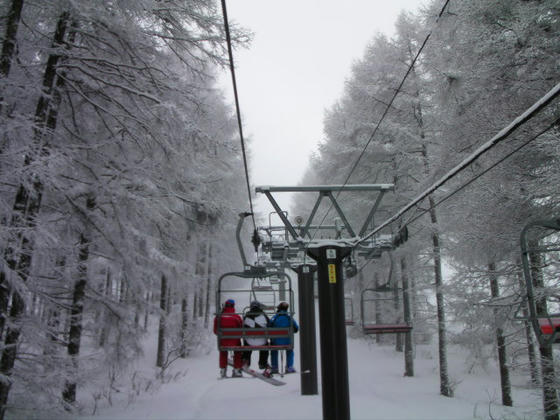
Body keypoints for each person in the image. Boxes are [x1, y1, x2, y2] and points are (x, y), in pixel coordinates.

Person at [213, 299, 243, 378]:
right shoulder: (236, 317)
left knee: (223, 351)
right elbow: (241, 330)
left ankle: (223, 370)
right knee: (238, 349)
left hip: (223, 342)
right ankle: (236, 369)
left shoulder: (219, 317)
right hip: (235, 342)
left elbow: (215, 331)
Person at [269, 301, 299, 374]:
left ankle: (274, 367)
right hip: (287, 342)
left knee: (273, 349)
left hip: (275, 342)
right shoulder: (289, 318)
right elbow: (296, 328)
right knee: (289, 350)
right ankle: (289, 366)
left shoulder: (274, 317)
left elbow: (269, 326)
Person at [242, 301, 271, 374]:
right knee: (265, 344)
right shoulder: (263, 315)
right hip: (262, 341)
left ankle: (246, 360)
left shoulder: (247, 315)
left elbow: (242, 327)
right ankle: (263, 363)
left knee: (247, 341)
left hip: (249, 342)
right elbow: (270, 325)